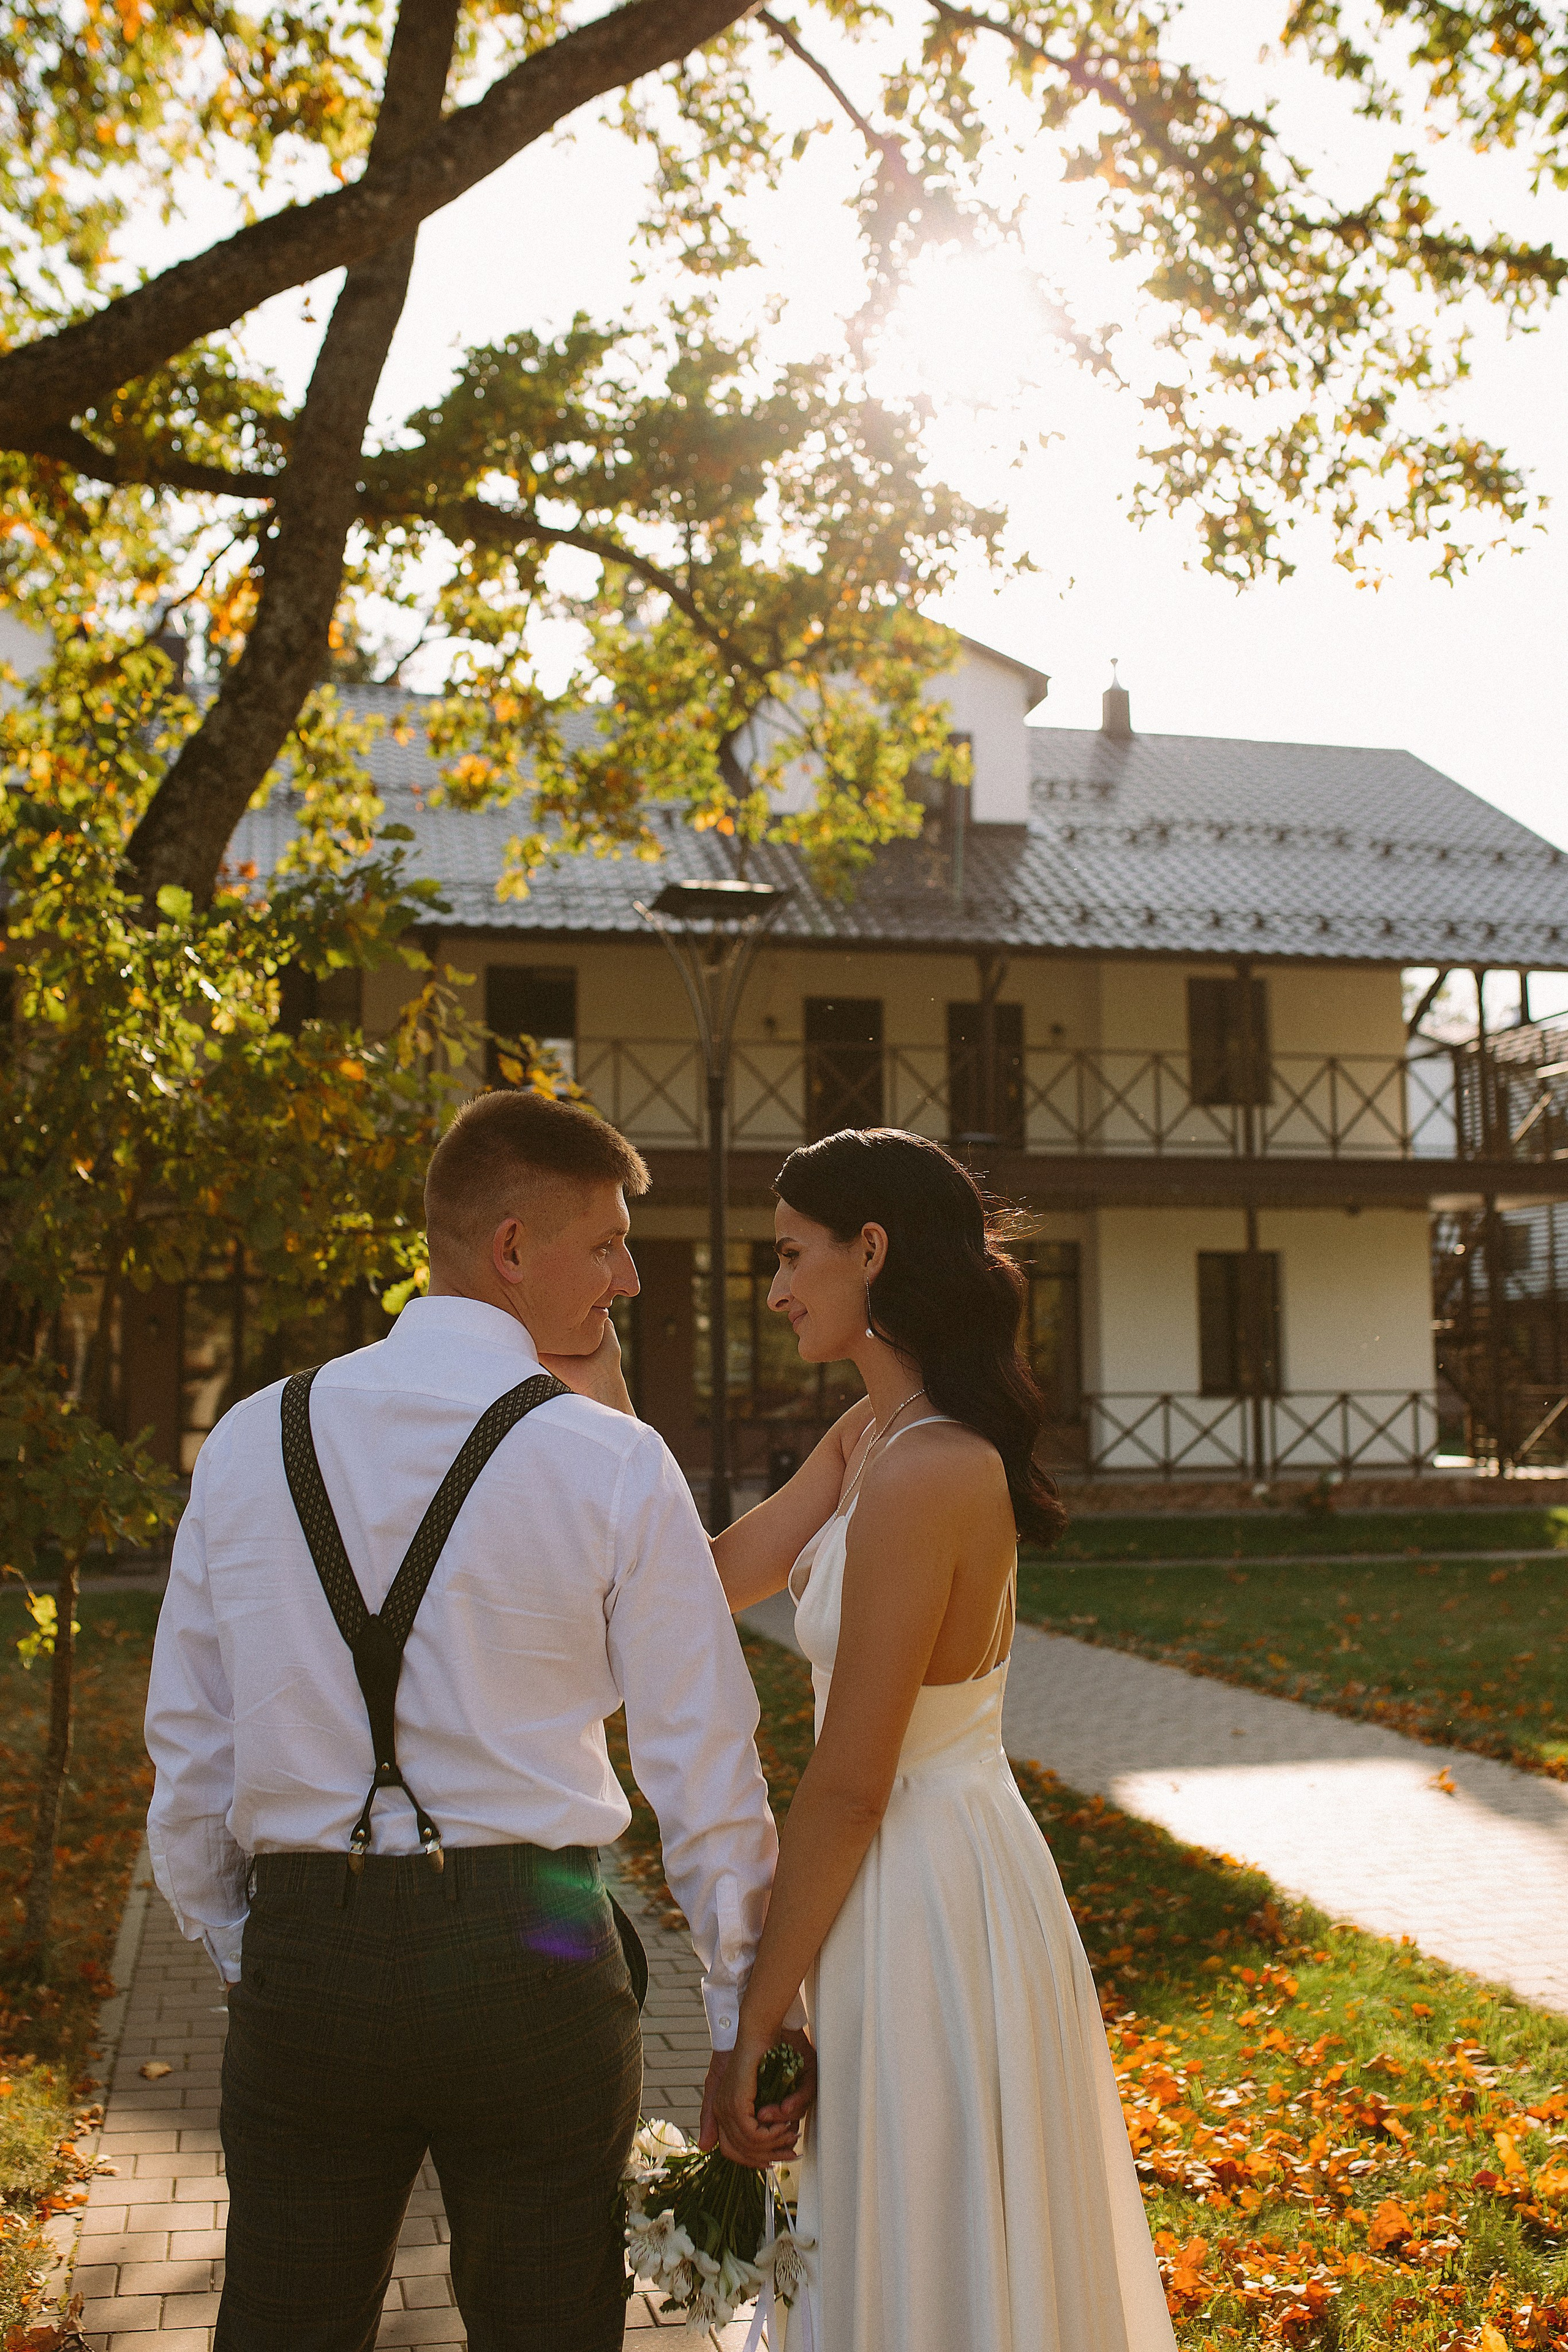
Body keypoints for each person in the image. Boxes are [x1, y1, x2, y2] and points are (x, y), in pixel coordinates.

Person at [145, 1088, 808, 2352]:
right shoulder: (609, 1462)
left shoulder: (245, 1442)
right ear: (511, 1248)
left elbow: (190, 1746)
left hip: (308, 1956)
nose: (624, 1277)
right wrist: (739, 2023)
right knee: (549, 2326)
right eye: (605, 1242)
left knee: (282, 2322)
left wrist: (255, 1948)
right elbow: (705, 1766)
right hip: (531, 1962)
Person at [709, 1128, 1178, 2352]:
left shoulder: (928, 1471)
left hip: (926, 1896)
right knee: (887, 2231)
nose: (773, 1289)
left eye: (790, 1255)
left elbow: (852, 1786)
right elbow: (712, 1578)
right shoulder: (868, 1443)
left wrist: (759, 2010)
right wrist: (588, 1407)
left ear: (869, 1251)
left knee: (929, 2231)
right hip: (885, 1885)